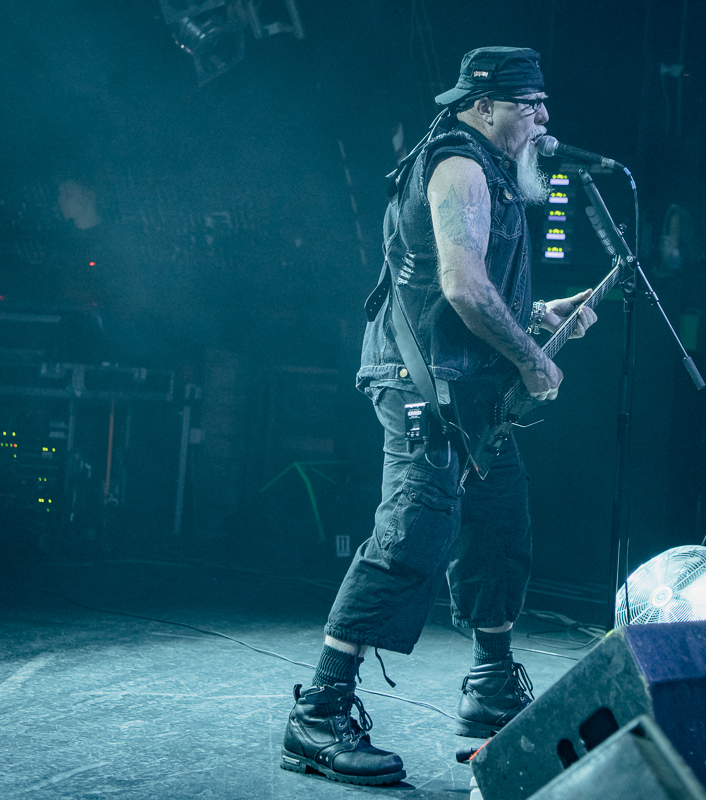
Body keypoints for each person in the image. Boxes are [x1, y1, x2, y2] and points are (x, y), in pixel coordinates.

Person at [280, 47, 598, 786]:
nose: (545, 117)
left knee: (499, 523)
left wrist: (539, 318)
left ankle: (490, 687)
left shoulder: (488, 171)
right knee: (414, 527)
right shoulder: (458, 166)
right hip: (421, 382)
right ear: (483, 107)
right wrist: (533, 359)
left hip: (468, 386)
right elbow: (461, 289)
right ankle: (318, 714)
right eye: (530, 103)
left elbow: (474, 295)